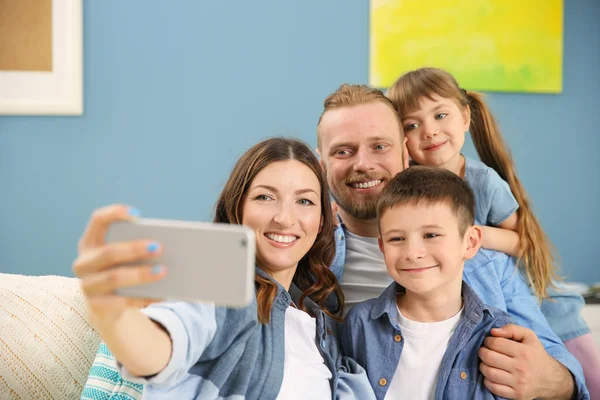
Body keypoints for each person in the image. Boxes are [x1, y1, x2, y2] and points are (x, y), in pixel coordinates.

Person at [316, 84, 588, 399]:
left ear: (406, 152)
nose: (363, 163)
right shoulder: (304, 260)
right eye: (343, 151)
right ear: (323, 166)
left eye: (379, 146)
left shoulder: (484, 261)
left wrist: (550, 379)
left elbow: (561, 364)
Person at [76, 137, 375, 399]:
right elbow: (161, 347)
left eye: (305, 201)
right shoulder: (221, 289)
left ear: (323, 220)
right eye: (265, 197)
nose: (285, 218)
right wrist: (113, 316)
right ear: (237, 209)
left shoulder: (326, 326)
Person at [386, 67, 600, 396]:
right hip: (457, 293)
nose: (429, 132)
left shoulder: (482, 181)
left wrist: (466, 237)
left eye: (440, 115)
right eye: (412, 125)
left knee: (582, 364)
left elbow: (523, 240)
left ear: (465, 118)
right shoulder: (405, 187)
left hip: (514, 284)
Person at [342, 165, 514, 399]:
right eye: (396, 238)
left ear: (470, 242)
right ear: (382, 247)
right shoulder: (359, 324)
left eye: (431, 235)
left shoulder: (497, 333)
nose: (412, 252)